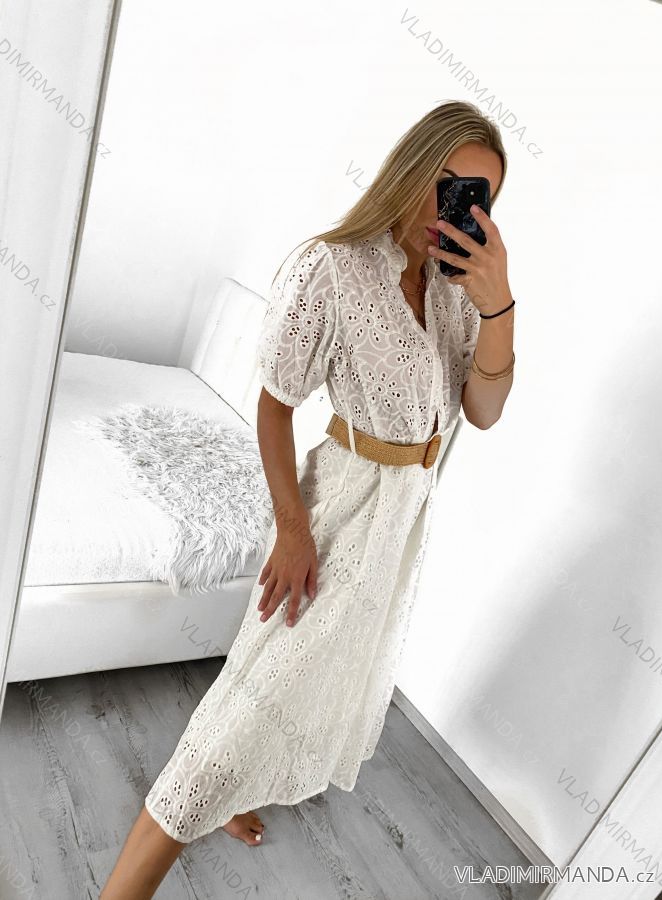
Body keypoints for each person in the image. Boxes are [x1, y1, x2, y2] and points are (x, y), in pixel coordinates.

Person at [101, 99, 515, 899]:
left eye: (478, 196)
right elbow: (274, 404)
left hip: (400, 522)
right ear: (412, 168)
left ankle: (230, 799)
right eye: (447, 182)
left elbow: (484, 409)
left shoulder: (459, 290)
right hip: (339, 509)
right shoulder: (332, 268)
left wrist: (497, 301)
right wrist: (291, 530)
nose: (457, 206)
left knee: (302, 688)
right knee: (241, 714)